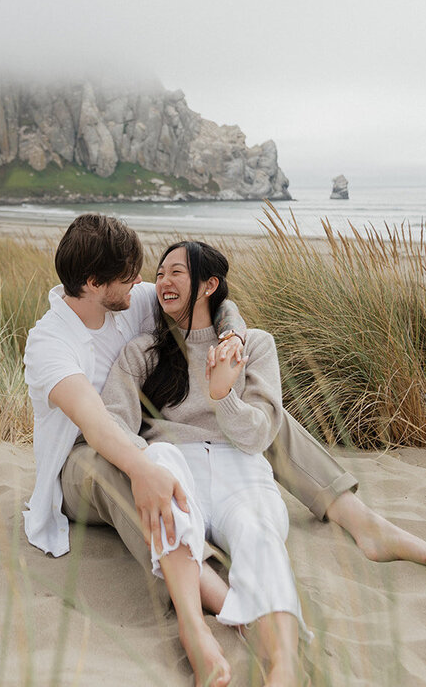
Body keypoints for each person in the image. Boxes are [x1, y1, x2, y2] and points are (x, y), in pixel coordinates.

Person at [21, 216, 426, 629]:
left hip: (130, 437)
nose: (143, 283)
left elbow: (214, 301)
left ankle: (359, 520)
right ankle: (208, 579)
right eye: (130, 275)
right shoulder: (51, 341)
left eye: (144, 274)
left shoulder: (128, 302)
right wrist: (147, 464)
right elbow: (99, 427)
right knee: (114, 466)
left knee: (264, 417)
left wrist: (232, 340)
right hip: (80, 462)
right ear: (95, 283)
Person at [99, 240, 308, 686]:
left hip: (240, 466)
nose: (164, 282)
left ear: (209, 284)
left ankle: (286, 667)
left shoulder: (254, 346)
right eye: (159, 274)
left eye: (177, 272)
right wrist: (142, 458)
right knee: (159, 455)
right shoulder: (142, 353)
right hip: (177, 469)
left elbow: (259, 435)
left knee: (260, 537)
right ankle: (196, 636)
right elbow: (112, 423)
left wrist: (222, 395)